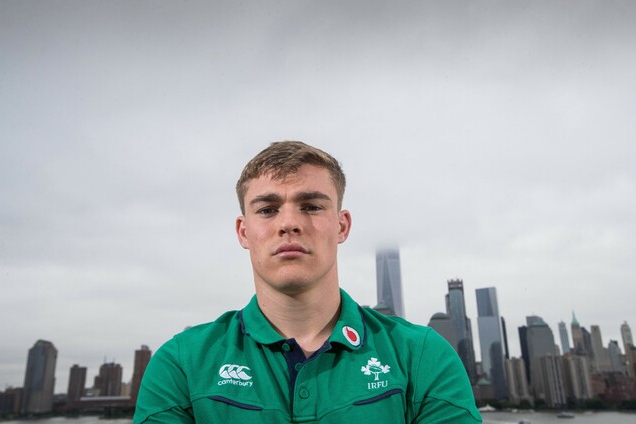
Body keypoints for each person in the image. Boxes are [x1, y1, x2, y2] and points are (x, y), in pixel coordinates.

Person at [134, 141, 482, 423]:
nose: (289, 223)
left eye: (312, 206)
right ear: (243, 231)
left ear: (342, 226)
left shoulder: (422, 356)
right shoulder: (181, 363)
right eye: (267, 210)